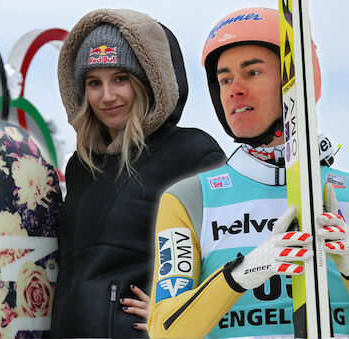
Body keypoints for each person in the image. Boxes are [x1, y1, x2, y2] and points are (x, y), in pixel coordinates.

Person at [147, 7, 349, 338]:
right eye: (224, 79)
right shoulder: (189, 200)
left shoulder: (346, 193)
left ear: (296, 81)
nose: (234, 90)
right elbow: (164, 329)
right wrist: (238, 276)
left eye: (252, 73)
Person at [50, 8, 227, 337]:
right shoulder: (82, 166)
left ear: (148, 81)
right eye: (93, 83)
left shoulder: (190, 152)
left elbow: (230, 250)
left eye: (120, 78)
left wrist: (181, 309)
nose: (107, 96)